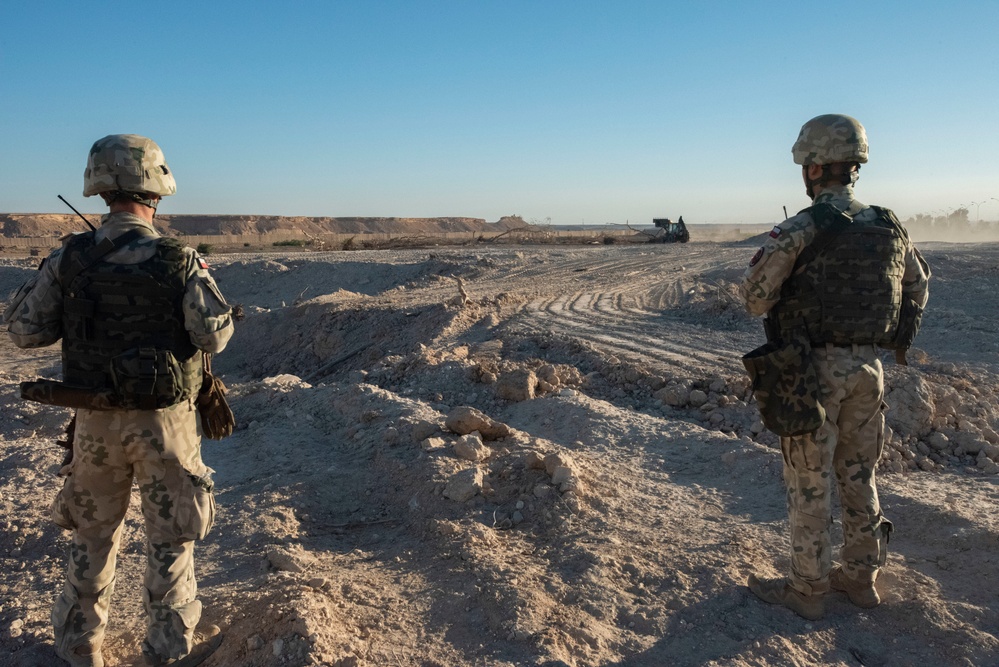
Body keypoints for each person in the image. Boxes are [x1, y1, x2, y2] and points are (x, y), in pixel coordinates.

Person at [4, 135, 234, 666]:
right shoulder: (181, 258)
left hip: (97, 424)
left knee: (91, 537)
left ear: (99, 188)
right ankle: (166, 654)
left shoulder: (70, 258)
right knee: (172, 542)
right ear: (157, 186)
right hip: (166, 427)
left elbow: (23, 332)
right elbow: (212, 337)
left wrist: (63, 279)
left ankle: (79, 650)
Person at [739, 114, 930, 620]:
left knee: (810, 479)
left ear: (814, 168)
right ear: (855, 166)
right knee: (859, 474)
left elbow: (755, 298)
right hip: (869, 370)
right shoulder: (888, 224)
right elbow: (917, 286)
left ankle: (808, 591)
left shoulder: (801, 229)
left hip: (811, 372)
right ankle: (862, 580)